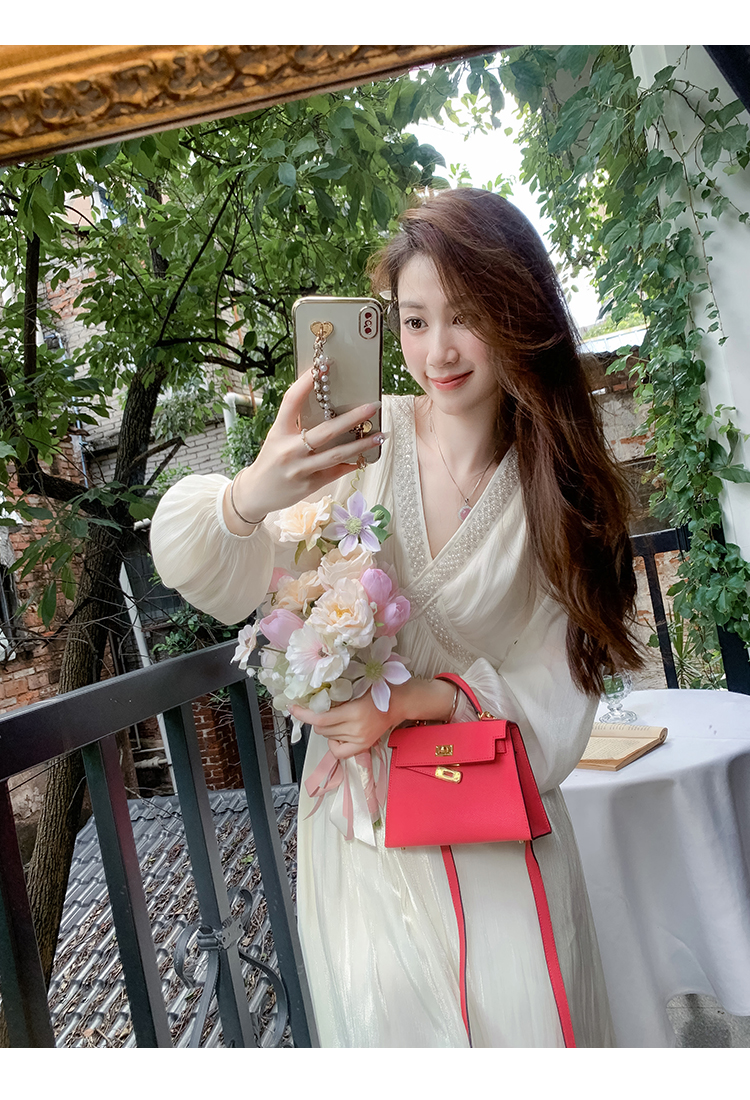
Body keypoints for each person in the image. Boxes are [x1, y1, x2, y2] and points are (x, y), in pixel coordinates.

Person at [150, 188, 642, 1048]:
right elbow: (221, 573)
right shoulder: (359, 443)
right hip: (363, 832)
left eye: (466, 317)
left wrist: (417, 701)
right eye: (414, 321)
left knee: (522, 1026)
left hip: (491, 822)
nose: (437, 351)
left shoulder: (555, 486)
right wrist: (254, 490)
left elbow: (562, 686)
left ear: (519, 313)